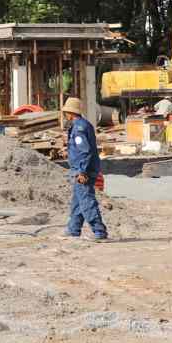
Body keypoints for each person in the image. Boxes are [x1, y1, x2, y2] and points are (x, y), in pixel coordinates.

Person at [62, 96, 107, 240]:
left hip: (84, 170)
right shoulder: (83, 124)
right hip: (83, 168)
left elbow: (84, 151)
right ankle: (73, 228)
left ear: (70, 113)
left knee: (86, 201)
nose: (65, 116)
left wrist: (82, 171)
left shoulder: (79, 128)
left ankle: (99, 231)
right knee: (78, 201)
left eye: (66, 113)